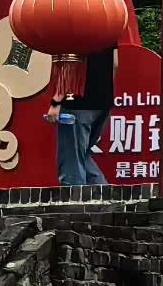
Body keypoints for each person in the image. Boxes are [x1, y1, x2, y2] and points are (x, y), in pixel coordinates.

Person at [45, 44, 115, 188]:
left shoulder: (77, 30)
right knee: (81, 155)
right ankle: (104, 194)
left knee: (71, 162)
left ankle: (74, 200)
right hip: (103, 103)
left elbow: (71, 65)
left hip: (77, 103)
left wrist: (56, 101)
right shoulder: (110, 31)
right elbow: (115, 64)